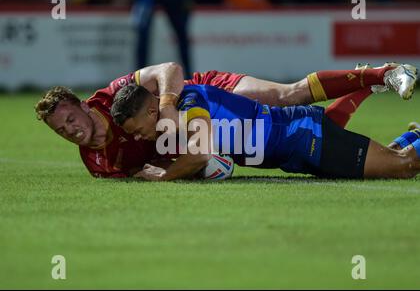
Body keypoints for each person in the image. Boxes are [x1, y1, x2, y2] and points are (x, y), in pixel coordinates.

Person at [34, 62, 417, 178]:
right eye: (59, 130)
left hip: (293, 132)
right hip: (292, 153)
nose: (68, 131)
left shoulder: (180, 104)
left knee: (289, 95)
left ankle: (381, 73)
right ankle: (405, 127)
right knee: (384, 156)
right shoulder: (98, 160)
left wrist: (169, 106)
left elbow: (170, 71)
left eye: (68, 119)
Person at [110, 83, 420, 181]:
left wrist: (163, 177)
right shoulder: (178, 118)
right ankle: (415, 137)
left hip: (306, 139)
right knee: (389, 161)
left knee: (405, 168)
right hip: (298, 151)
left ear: (153, 111)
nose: (138, 138)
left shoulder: (191, 101)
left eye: (137, 130)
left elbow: (201, 154)